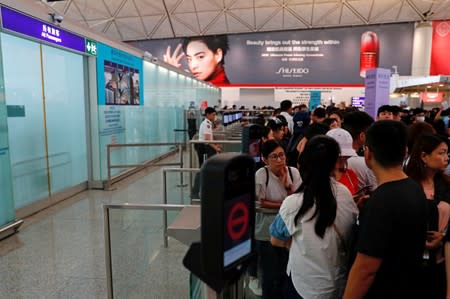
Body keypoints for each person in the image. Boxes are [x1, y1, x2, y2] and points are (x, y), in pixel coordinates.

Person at [343, 121, 428, 299]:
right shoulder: (415, 188)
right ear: (405, 152)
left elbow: (365, 269)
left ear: (368, 153)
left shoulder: (381, 201)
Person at [270, 135, 358, 299]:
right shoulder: (345, 194)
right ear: (334, 164)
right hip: (339, 285)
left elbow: (276, 240)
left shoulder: (293, 203)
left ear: (302, 163)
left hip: (303, 285)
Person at [405, 134, 450, 299]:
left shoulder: (446, 185)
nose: (446, 158)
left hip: (440, 264)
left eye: (447, 153)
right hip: (408, 263)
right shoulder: (406, 185)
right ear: (424, 156)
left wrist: (443, 237)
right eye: (441, 153)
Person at [255, 140, 302, 299]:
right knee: (270, 273)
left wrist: (287, 186)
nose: (279, 160)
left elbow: (298, 200)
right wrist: (284, 205)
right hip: (267, 229)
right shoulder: (262, 174)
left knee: (287, 270)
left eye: (281, 155)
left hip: (289, 229)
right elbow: (261, 201)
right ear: (265, 159)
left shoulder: (293, 172)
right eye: (273, 157)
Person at [163, 35, 230, 85]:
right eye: (189, 59)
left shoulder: (221, 87)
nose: (193, 66)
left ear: (218, 55)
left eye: (200, 57)